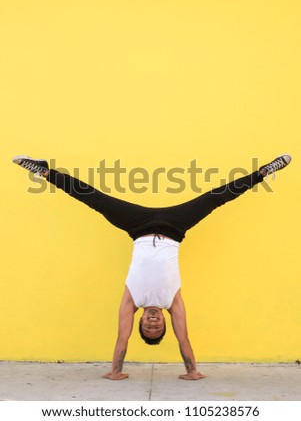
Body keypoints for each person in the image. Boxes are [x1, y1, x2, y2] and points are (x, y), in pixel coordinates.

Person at [12, 153, 291, 380]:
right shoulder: (173, 302)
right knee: (216, 197)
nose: (154, 322)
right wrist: (192, 371)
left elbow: (122, 339)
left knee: (93, 198)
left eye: (148, 326)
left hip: (138, 226)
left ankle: (44, 171)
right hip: (174, 227)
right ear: (165, 323)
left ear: (141, 323)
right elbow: (184, 340)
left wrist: (115, 371)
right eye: (158, 327)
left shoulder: (132, 300)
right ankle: (265, 171)